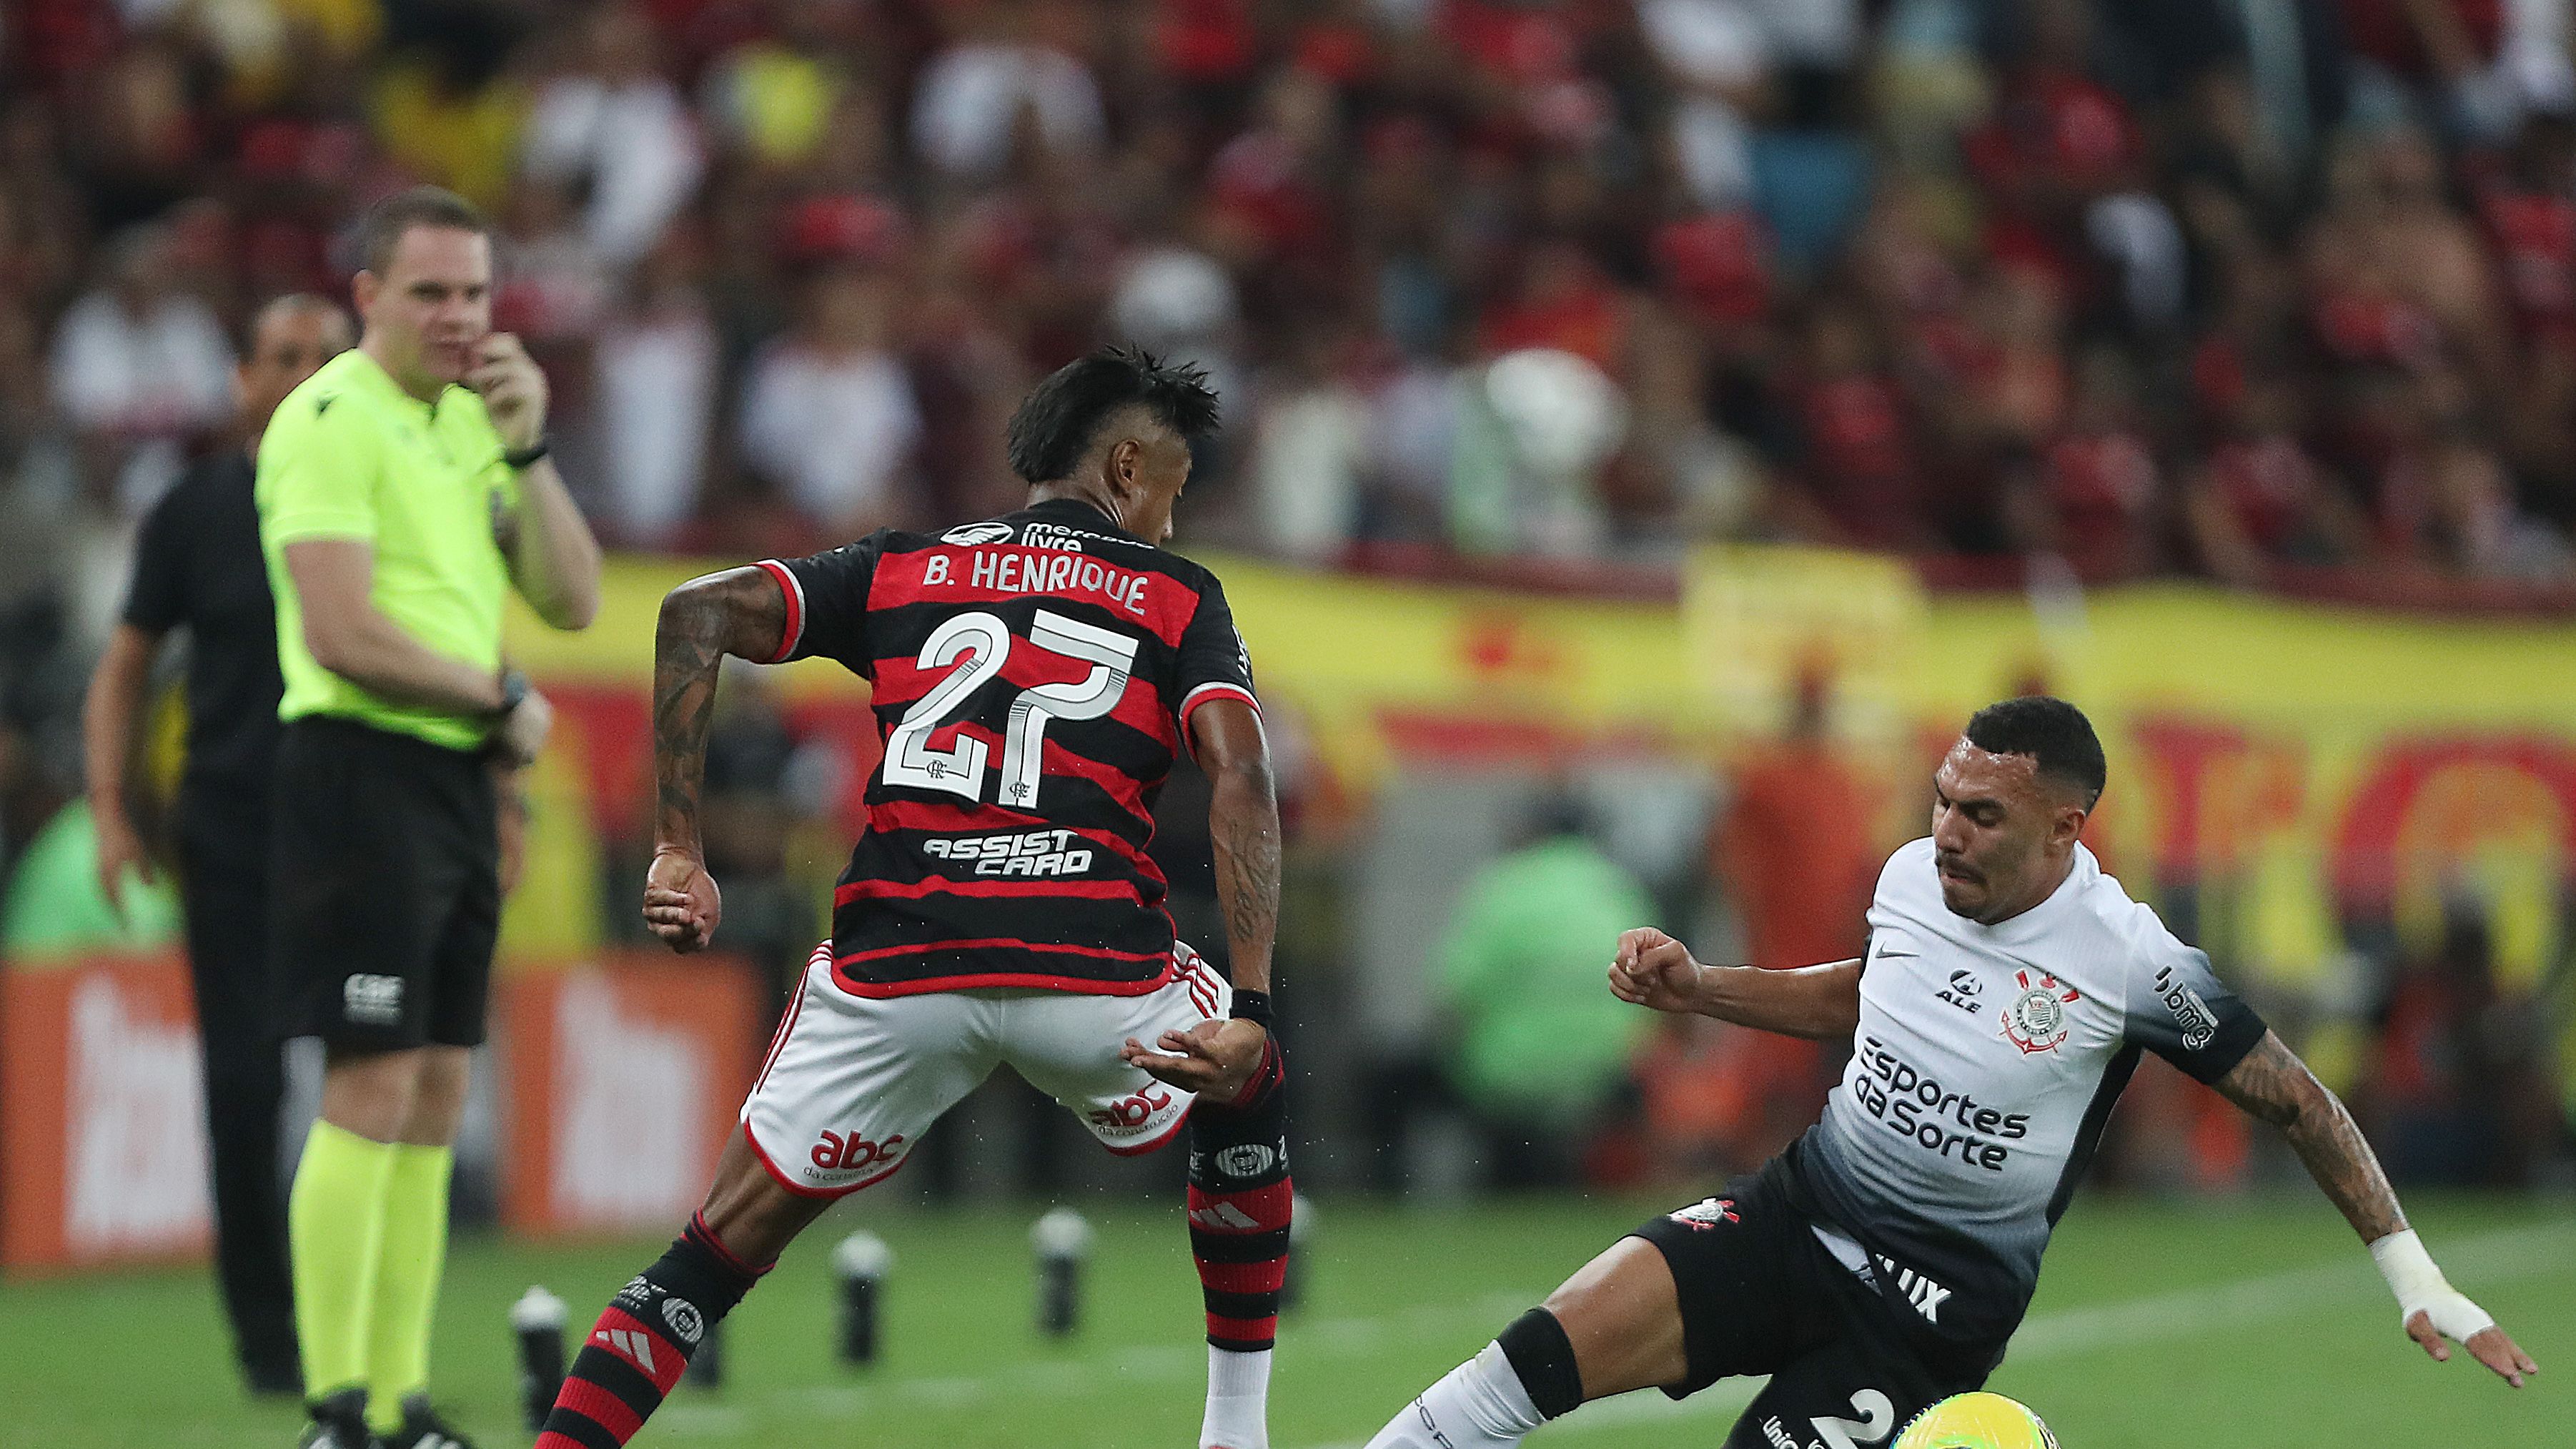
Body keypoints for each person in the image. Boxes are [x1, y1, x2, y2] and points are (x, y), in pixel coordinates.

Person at [1362, 697, 2537, 1449]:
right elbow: (1867, 994)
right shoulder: (1914, 877)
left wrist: (2413, 1273)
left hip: (1923, 1316)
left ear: (2067, 829)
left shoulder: (2132, 963)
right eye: (1942, 801)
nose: (1947, 834)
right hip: (1792, 1215)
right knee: (1527, 1359)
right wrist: (1701, 986)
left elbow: (2298, 1100)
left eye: (1982, 814)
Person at [535, 346, 1292, 1449]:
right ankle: (1235, 1434)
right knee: (1250, 1080)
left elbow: (694, 613)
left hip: (901, 965)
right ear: (1129, 467)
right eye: (1172, 491)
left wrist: (675, 848)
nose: (1171, 524)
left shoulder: (903, 566)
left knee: (709, 1254)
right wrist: (1255, 1014)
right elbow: (1242, 773)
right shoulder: (1178, 594)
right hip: (1094, 968)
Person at [258, 186, 603, 1449]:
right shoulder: (328, 420)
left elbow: (571, 597)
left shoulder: (468, 425)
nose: (461, 316)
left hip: (455, 784)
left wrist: (528, 448)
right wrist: (498, 695)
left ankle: (398, 1406)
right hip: (359, 770)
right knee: (371, 1081)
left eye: (475, 293)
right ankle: (333, 1410)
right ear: (369, 297)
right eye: (432, 292)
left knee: (438, 1092)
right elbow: (342, 631)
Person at [80, 292, 350, 1398]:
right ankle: (269, 1342)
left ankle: (361, 1329)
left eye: (322, 357)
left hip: (357, 828)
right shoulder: (193, 509)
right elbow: (128, 665)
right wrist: (109, 805)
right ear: (241, 378)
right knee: (242, 1088)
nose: (300, 374)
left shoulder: (385, 492)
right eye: (280, 355)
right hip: (233, 833)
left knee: (367, 1079)